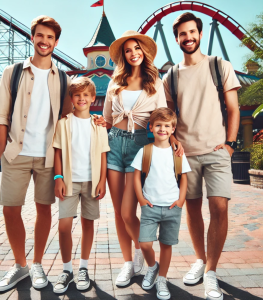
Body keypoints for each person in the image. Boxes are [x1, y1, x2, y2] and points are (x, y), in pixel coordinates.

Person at [163, 13, 241, 300]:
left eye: (192, 32)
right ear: (177, 39)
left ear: (200, 33)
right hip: (186, 153)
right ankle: (199, 259)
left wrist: (231, 144)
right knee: (192, 209)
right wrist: (172, 140)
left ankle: (211, 271)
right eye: (183, 34)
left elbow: (233, 108)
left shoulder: (219, 65)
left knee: (219, 207)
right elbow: (167, 115)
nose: (188, 37)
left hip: (217, 150)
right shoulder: (170, 76)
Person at [0, 15, 73, 291]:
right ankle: (20, 266)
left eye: (50, 37)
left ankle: (37, 264)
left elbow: (68, 116)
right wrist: (4, 151)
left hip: (48, 156)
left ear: (56, 42)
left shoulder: (63, 79)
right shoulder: (12, 72)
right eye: (40, 35)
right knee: (10, 210)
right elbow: (1, 116)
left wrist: (96, 121)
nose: (45, 41)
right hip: (17, 152)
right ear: (32, 37)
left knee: (44, 209)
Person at [103, 30, 183, 287]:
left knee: (129, 212)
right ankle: (130, 262)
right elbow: (106, 118)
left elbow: (163, 114)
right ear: (123, 55)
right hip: (114, 143)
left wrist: (172, 138)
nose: (133, 53)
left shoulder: (155, 82)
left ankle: (149, 261)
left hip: (140, 145)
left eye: (137, 48)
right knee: (118, 211)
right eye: (128, 50)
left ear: (144, 52)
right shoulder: (115, 83)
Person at [52, 77, 110, 293]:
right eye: (77, 95)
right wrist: (58, 178)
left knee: (88, 224)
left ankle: (83, 267)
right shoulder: (63, 123)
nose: (82, 98)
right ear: (71, 98)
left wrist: (102, 180)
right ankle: (67, 270)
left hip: (92, 182)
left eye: (86, 95)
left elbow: (104, 155)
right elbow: (57, 152)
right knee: (64, 226)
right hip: (68, 181)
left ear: (93, 98)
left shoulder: (98, 124)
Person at [132, 107, 191, 300]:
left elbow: (183, 178)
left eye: (167, 126)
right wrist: (141, 199)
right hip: (150, 206)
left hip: (173, 206)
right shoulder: (145, 151)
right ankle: (152, 267)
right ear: (151, 127)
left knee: (167, 244)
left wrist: (181, 200)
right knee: (145, 243)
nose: (162, 129)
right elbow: (136, 177)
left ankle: (162, 279)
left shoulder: (178, 153)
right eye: (158, 125)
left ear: (173, 129)